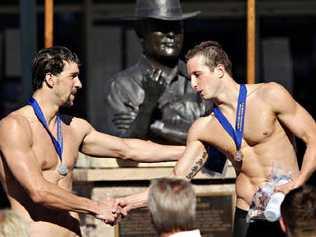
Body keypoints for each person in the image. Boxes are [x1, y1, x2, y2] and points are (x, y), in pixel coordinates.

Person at [117, 41, 316, 237]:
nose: (193, 84)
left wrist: (299, 182)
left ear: (219, 70)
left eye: (197, 75)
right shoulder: (203, 127)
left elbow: (313, 137)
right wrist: (131, 202)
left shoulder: (269, 95)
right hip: (247, 212)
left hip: (285, 205)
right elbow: (177, 177)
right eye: (190, 77)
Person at [0, 46, 185, 237]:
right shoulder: (14, 126)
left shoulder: (75, 127)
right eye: (73, 76)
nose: (79, 84)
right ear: (50, 79)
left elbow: (127, 148)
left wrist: (189, 151)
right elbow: (39, 191)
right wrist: (96, 207)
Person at [104, 0, 207, 145]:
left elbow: (214, 135)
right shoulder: (122, 85)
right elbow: (126, 146)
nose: (171, 34)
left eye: (177, 28)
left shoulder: (201, 79)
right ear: (141, 33)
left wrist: (153, 125)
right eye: (162, 27)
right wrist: (148, 105)